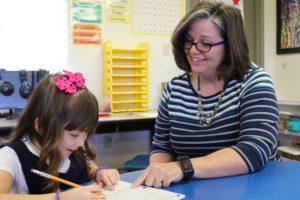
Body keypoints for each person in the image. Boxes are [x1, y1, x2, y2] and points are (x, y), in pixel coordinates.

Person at [132, 1, 279, 189]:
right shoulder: (174, 89)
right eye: (188, 40)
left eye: (205, 43)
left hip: (253, 189)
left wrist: (182, 167)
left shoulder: (255, 82)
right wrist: (158, 174)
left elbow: (254, 150)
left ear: (230, 45)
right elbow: (162, 147)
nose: (193, 50)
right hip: (195, 190)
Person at [0, 70, 120, 199]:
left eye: (86, 134)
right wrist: (60, 198)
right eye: (74, 135)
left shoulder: (71, 148)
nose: (80, 143)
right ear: (41, 126)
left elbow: (87, 165)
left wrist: (99, 172)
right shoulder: (10, 157)